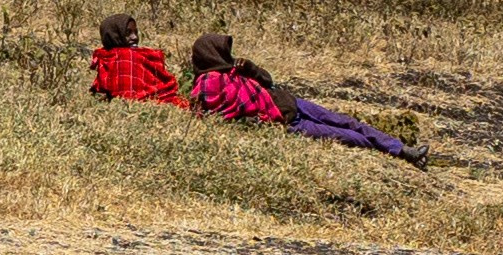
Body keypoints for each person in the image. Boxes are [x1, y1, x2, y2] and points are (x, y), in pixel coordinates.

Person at [189, 33, 428, 167]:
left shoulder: (235, 70)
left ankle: (404, 150)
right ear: (212, 53)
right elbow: (213, 114)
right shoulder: (209, 83)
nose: (228, 55)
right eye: (223, 50)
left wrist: (252, 69)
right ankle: (395, 155)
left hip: (293, 102)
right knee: (352, 138)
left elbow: (269, 82)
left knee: (349, 122)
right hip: (289, 122)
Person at [90, 13, 183, 106]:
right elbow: (128, 97)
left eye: (136, 32)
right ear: (114, 35)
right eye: (128, 33)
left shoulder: (104, 56)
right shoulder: (125, 58)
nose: (135, 37)